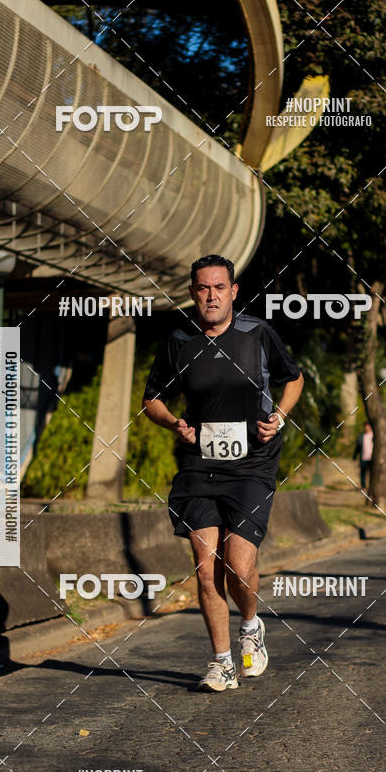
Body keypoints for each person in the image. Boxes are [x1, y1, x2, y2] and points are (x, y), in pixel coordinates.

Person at [143, 254, 304, 691]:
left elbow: (294, 378)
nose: (211, 296)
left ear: (233, 292)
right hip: (200, 464)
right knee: (204, 567)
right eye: (202, 288)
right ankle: (221, 663)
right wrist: (174, 422)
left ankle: (250, 623)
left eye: (219, 287)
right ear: (193, 293)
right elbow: (152, 399)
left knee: (237, 564)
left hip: (253, 462)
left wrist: (280, 417)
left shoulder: (257, 334)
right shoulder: (179, 341)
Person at [353, 422, 374, 490]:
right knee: (363, 473)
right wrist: (355, 455)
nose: (367, 428)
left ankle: (371, 487)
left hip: (372, 458)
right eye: (366, 427)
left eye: (368, 426)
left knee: (372, 473)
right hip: (364, 457)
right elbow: (358, 447)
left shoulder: (374, 436)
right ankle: (363, 487)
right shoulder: (362, 436)